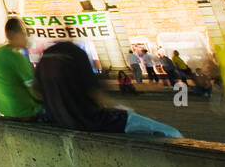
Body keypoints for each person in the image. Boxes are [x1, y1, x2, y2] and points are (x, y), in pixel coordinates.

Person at [34, 41, 181, 137]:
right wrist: (124, 108)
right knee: (172, 134)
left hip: (67, 124)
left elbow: (37, 92)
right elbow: (97, 94)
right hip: (99, 121)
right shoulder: (75, 54)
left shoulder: (44, 67)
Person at [0, 17, 42, 120]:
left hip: (5, 112)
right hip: (26, 113)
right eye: (24, 33)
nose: (27, 37)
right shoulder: (16, 57)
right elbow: (35, 91)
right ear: (11, 34)